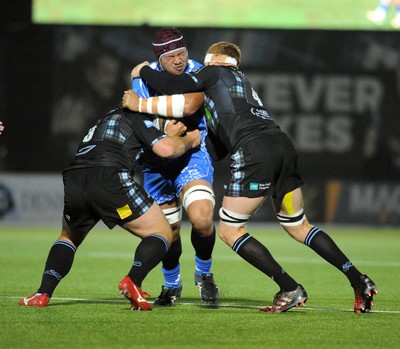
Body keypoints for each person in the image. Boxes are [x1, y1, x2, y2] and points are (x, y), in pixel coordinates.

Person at [123, 42, 378, 313]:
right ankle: (358, 279)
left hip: (255, 150)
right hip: (282, 145)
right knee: (298, 226)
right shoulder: (239, 83)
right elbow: (217, 146)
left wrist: (142, 73)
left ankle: (289, 288)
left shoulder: (212, 73)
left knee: (230, 230)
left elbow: (174, 87)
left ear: (213, 60)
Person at [19, 106, 200, 310]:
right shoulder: (138, 116)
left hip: (76, 177)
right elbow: (167, 149)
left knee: (68, 237)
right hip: (108, 176)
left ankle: (42, 294)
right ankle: (134, 280)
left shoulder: (107, 117)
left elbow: (133, 152)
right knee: (162, 232)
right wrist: (189, 140)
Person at [131, 27, 219, 306]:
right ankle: (172, 284)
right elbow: (136, 117)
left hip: (192, 153)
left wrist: (156, 115)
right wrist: (161, 129)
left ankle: (204, 275)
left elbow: (192, 105)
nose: (179, 60)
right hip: (156, 163)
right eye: (172, 57)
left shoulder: (198, 71)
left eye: (182, 53)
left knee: (203, 220)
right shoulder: (142, 82)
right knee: (168, 233)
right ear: (160, 59)